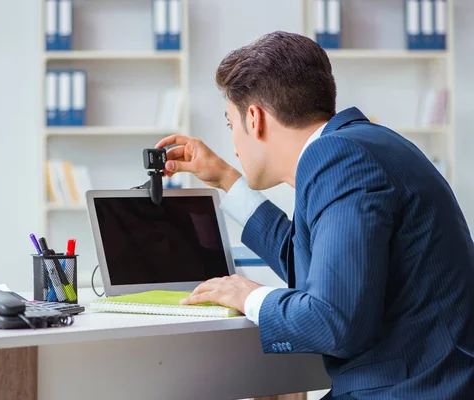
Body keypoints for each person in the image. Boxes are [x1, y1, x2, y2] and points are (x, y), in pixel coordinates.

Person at [155, 31, 474, 399]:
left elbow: (334, 321)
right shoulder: (364, 144)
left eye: (231, 124)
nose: (234, 143)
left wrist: (250, 296)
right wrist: (226, 178)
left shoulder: (337, 159)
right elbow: (314, 263)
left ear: (254, 118)